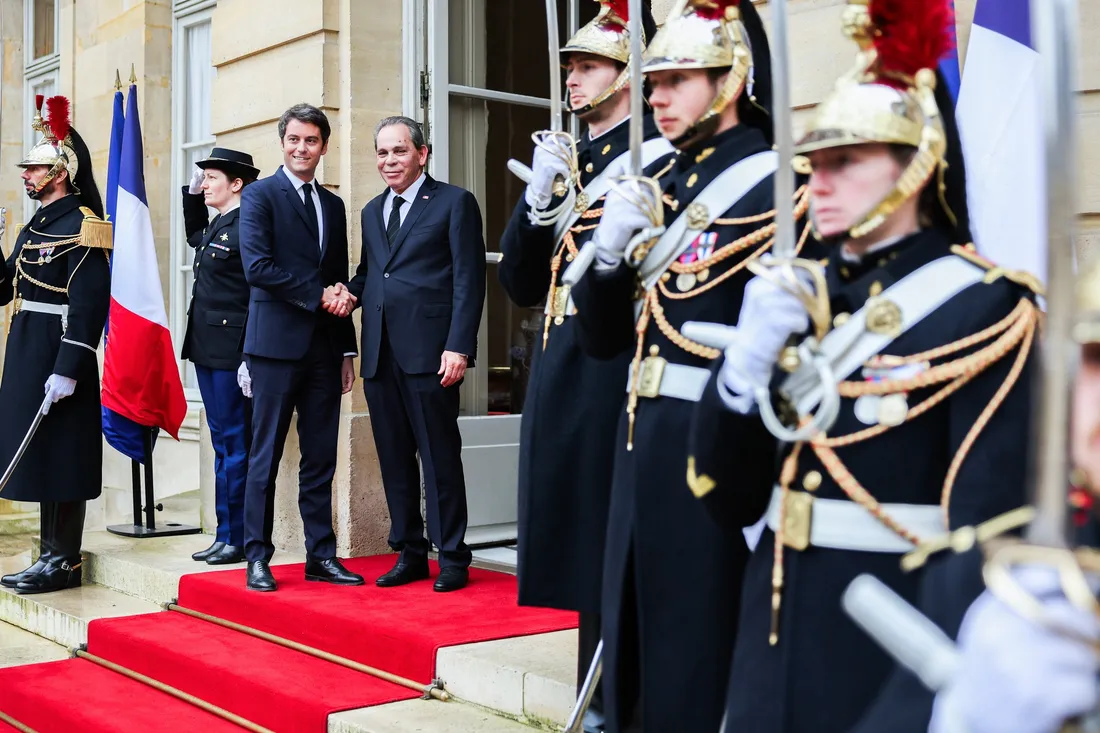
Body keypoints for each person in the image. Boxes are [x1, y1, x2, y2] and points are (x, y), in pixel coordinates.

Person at [685, 1, 1040, 730]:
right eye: (816, 162)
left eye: (847, 161)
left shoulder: (986, 306)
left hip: (888, 642)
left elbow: (987, 528)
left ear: (918, 164)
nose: (818, 181)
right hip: (774, 626)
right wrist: (742, 371)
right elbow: (726, 496)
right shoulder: (800, 295)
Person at [569, 1, 813, 729]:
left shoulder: (781, 186)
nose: (656, 96)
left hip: (715, 445)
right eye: (652, 82)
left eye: (677, 79)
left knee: (696, 652)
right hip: (640, 439)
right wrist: (607, 260)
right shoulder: (662, 183)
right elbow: (603, 340)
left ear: (730, 79)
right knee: (634, 643)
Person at [497, 4, 670, 729]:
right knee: (577, 531)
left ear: (629, 73)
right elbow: (518, 280)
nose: (571, 78)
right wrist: (538, 200)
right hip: (561, 363)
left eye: (588, 66)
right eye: (569, 66)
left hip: (617, 364)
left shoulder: (658, 156)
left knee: (613, 534)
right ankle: (595, 691)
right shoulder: (569, 159)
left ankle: (614, 700)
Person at [343, 116, 485, 594]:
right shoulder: (372, 210)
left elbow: (469, 280)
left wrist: (459, 345)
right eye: (382, 153)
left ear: (422, 154)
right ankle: (409, 552)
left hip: (433, 354)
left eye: (399, 151)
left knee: (439, 456)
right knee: (394, 457)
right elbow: (371, 273)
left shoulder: (454, 202)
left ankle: (453, 556)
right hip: (381, 353)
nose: (389, 161)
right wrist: (347, 294)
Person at [238, 103, 361, 592]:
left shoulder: (333, 205)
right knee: (263, 458)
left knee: (321, 457)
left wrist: (346, 350)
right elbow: (257, 268)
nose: (301, 148)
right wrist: (319, 296)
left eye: (311, 140)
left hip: (324, 351)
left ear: (324, 146)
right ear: (282, 142)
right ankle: (256, 557)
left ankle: (321, 556)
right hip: (273, 348)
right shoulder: (259, 196)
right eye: (294, 139)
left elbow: (337, 275)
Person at [0, 95, 111, 594]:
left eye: (35, 168)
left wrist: (70, 366)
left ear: (60, 173)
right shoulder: (36, 224)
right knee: (42, 450)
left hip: (60, 349)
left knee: (63, 451)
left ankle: (64, 560)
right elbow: (6, 289)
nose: (27, 175)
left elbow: (89, 304)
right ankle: (47, 554)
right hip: (27, 345)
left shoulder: (83, 223)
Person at [180, 148, 260, 566]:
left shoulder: (247, 225)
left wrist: (249, 354)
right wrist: (193, 194)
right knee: (221, 442)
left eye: (212, 177)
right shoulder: (219, 224)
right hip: (207, 349)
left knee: (235, 443)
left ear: (237, 184)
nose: (205, 184)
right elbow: (194, 234)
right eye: (204, 178)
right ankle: (224, 532)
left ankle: (238, 537)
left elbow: (255, 295)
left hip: (231, 353)